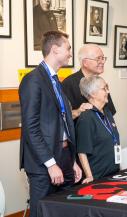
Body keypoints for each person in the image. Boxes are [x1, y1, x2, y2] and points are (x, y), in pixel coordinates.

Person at [19, 31, 82, 217]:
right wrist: (50, 164)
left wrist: (73, 160)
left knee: (65, 210)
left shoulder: (56, 80)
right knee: (42, 212)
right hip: (43, 163)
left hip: (64, 157)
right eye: (68, 48)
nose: (70, 53)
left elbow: (63, 120)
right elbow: (31, 128)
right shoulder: (33, 80)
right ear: (55, 49)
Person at [76, 76, 120, 183]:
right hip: (98, 177)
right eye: (104, 88)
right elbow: (82, 152)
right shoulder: (86, 118)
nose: (108, 91)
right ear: (93, 94)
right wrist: (89, 176)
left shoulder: (107, 112)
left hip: (114, 173)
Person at [62, 44, 116, 119]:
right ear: (85, 62)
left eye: (103, 58)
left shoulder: (100, 82)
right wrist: (78, 111)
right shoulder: (69, 83)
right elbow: (63, 118)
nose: (102, 62)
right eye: (98, 58)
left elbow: (110, 111)